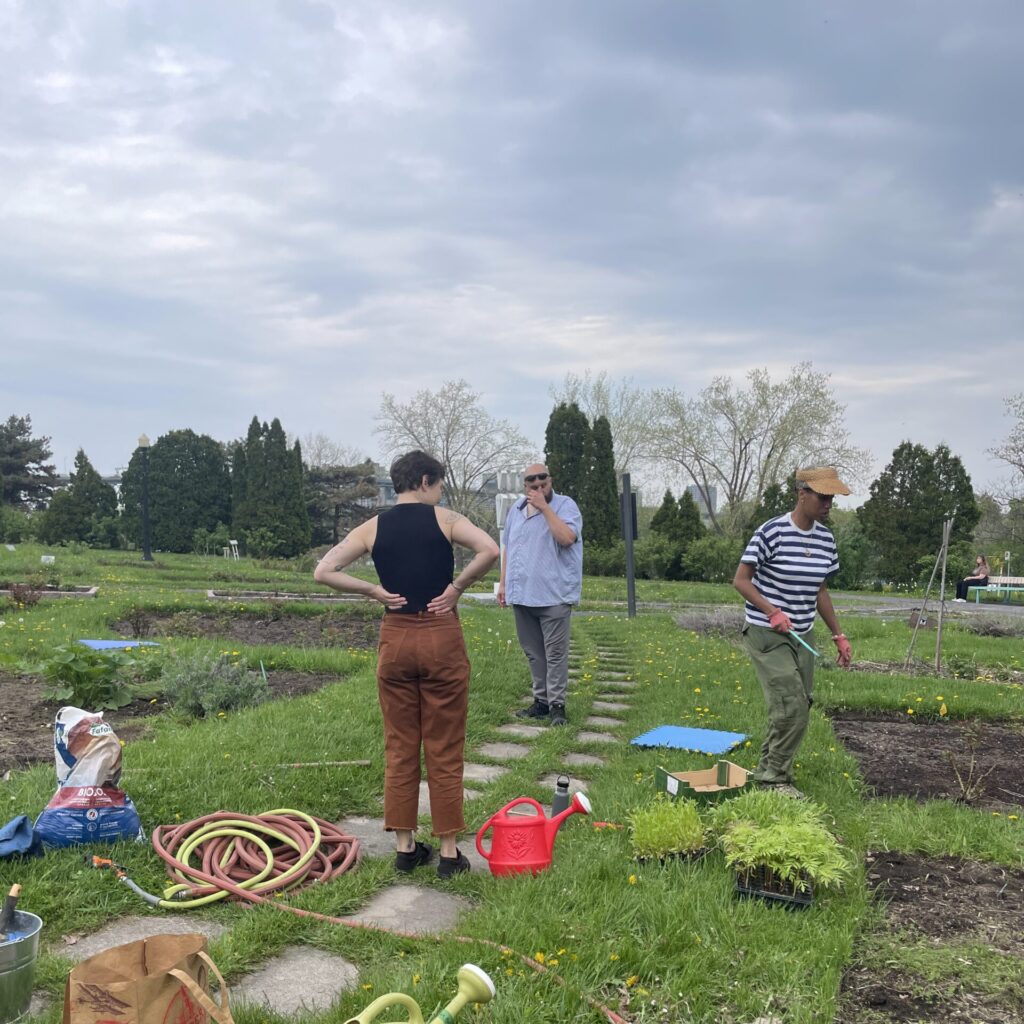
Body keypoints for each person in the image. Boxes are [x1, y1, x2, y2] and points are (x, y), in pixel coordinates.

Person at [314, 450, 499, 878]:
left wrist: (373, 591)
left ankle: (405, 848)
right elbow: (489, 549)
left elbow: (324, 571)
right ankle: (449, 853)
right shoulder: (446, 520)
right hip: (440, 636)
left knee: (400, 745)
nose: (440, 493)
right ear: (424, 481)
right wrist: (457, 588)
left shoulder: (372, 527)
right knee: (444, 746)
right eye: (439, 485)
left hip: (395, 639)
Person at [732, 466, 853, 799]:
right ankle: (773, 781)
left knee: (798, 703)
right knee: (790, 705)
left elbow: (821, 590)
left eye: (832, 499)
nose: (828, 504)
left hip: (802, 633)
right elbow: (741, 580)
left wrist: (838, 635)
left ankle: (768, 768)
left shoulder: (826, 539)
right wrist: (772, 611)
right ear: (802, 494)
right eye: (823, 497)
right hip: (766, 633)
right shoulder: (771, 532)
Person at [498, 462, 583, 727]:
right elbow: (508, 547)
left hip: (554, 594)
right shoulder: (516, 510)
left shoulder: (565, 505)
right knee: (534, 653)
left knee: (555, 654)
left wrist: (545, 508)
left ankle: (557, 706)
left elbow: (567, 538)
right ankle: (541, 702)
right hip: (522, 593)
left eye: (543, 482)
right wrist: (503, 583)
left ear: (550, 480)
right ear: (525, 486)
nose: (538, 487)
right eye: (532, 484)